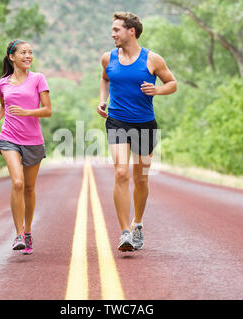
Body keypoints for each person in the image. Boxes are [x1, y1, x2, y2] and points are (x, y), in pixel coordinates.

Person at [97, 12, 177, 252]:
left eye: (116, 30)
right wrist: (103, 100)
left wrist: (157, 90)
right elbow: (104, 79)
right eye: (112, 30)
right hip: (117, 121)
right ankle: (124, 233)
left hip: (145, 124)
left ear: (131, 31)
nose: (112, 34)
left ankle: (138, 224)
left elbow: (172, 84)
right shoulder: (107, 58)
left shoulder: (152, 59)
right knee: (121, 173)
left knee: (141, 177)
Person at [0, 39, 52, 255]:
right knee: (18, 183)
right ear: (12, 57)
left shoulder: (38, 79)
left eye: (30, 52)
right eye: (23, 52)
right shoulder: (3, 82)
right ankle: (18, 234)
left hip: (33, 140)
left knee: (30, 188)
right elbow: (3, 105)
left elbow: (48, 110)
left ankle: (28, 231)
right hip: (9, 137)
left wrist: (28, 112)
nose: (28, 56)